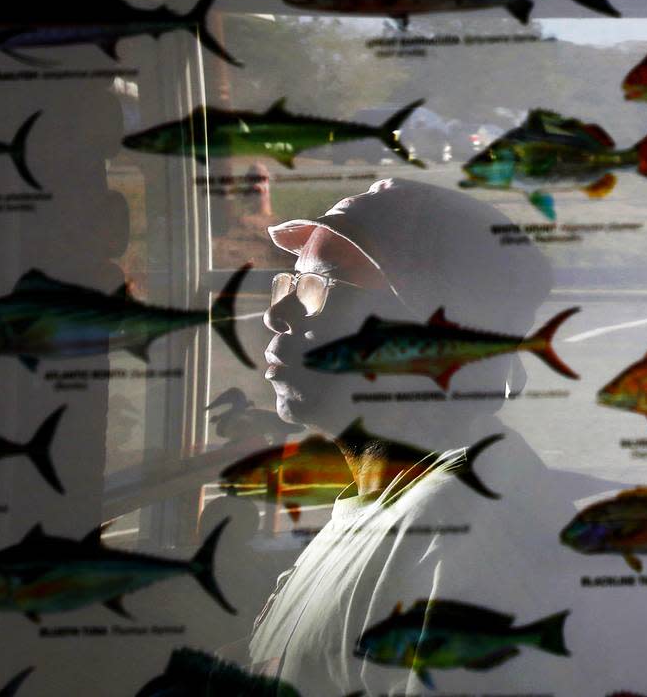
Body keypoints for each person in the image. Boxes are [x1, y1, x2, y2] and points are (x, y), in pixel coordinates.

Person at [247, 178, 612, 695]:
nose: (276, 314)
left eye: (320, 287)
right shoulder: (385, 505)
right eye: (290, 283)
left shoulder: (457, 539)